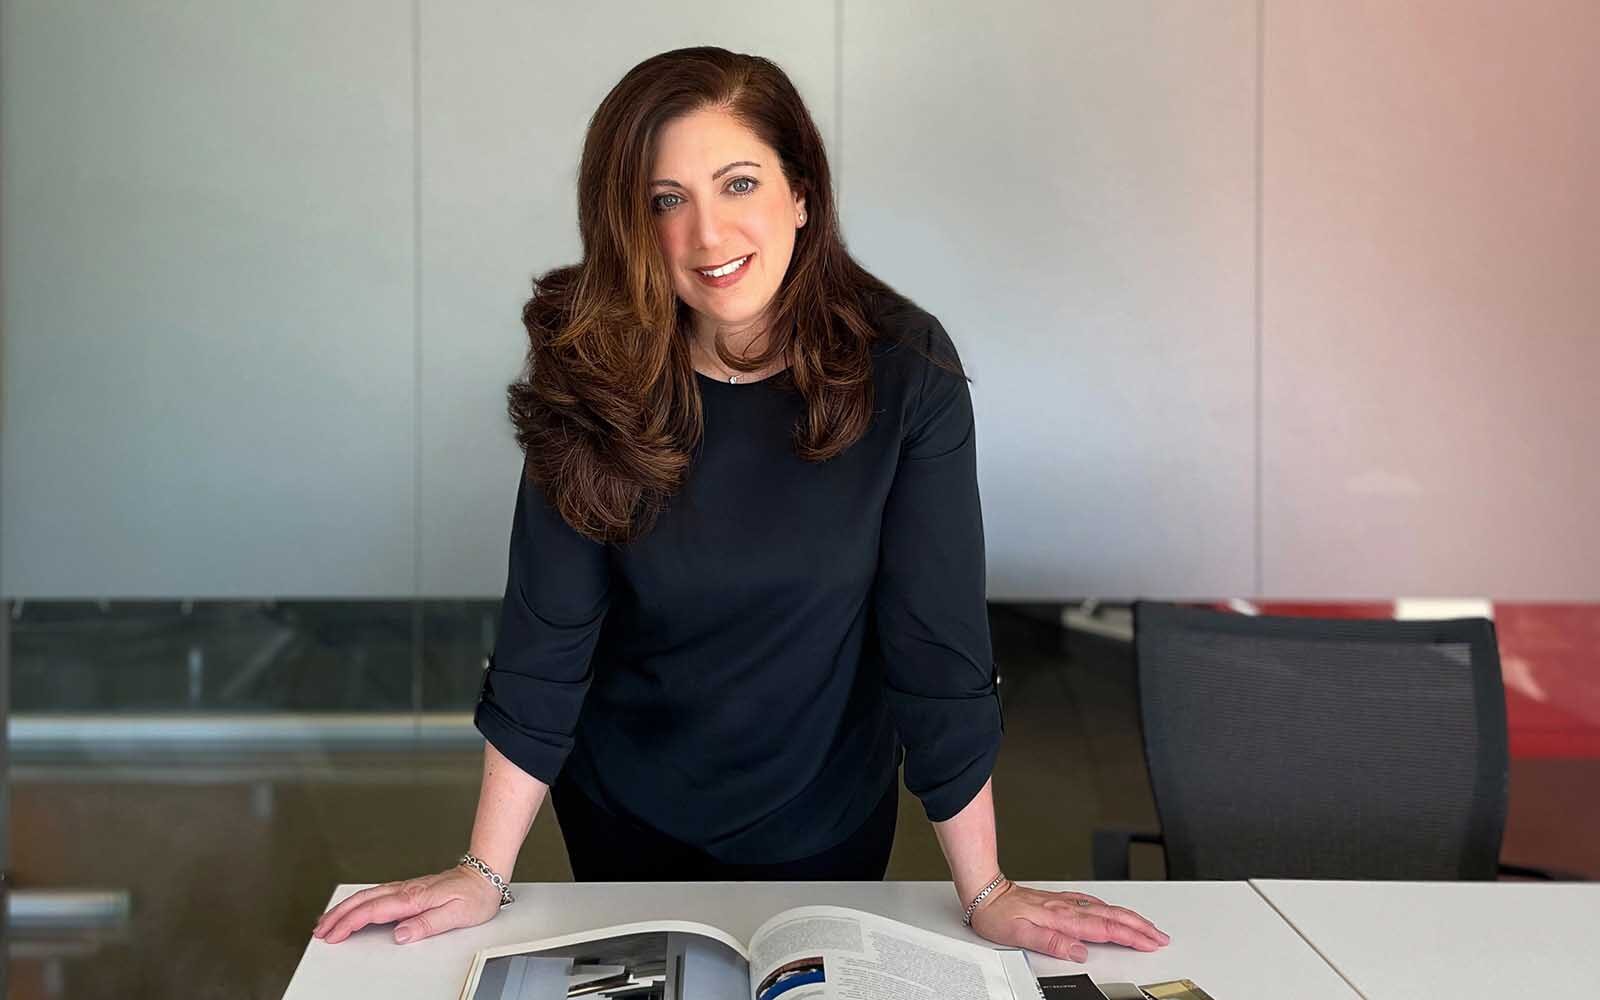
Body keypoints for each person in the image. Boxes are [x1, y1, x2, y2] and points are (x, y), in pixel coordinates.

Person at [313, 45, 1170, 963]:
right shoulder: (591, 370)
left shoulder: (905, 370)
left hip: (824, 813)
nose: (708, 234)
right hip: (621, 807)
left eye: (739, 183)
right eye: (666, 200)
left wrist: (987, 890)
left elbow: (936, 646)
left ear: (801, 193)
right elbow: (545, 645)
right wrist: (483, 871)